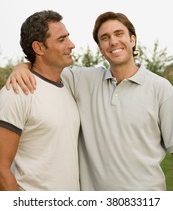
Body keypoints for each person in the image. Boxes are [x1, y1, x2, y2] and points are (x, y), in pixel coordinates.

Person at [6, 11, 173, 191]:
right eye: (105, 37)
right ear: (101, 49)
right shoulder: (82, 80)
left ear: (132, 40)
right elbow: (45, 66)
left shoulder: (161, 89)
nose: (113, 42)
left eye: (119, 34)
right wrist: (21, 67)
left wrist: (22, 67)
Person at [0, 10, 80, 191]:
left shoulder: (68, 85)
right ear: (39, 48)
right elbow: (1, 170)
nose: (72, 45)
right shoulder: (17, 93)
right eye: (62, 40)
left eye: (68, 37)